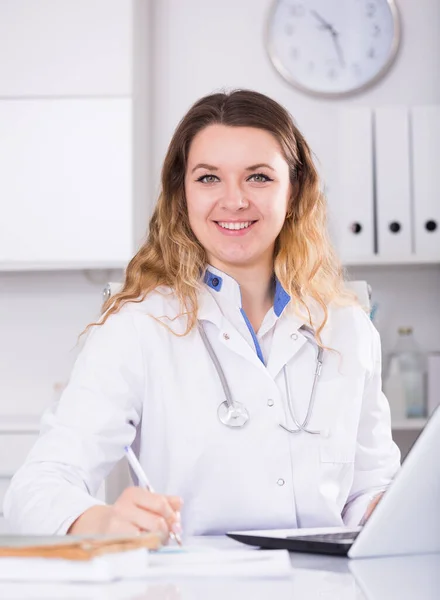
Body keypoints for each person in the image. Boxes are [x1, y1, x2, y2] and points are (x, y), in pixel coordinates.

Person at [4, 90, 400, 540]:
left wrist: (387, 506)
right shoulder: (139, 327)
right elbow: (36, 489)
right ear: (182, 195)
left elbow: (370, 490)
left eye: (258, 177)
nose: (233, 201)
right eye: (209, 178)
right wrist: (105, 522)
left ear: (293, 193)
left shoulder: (348, 327)